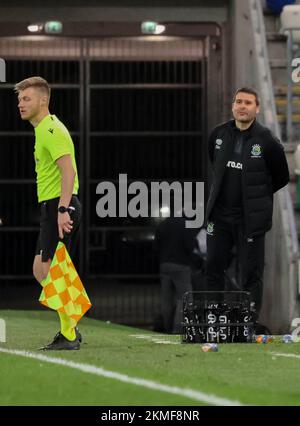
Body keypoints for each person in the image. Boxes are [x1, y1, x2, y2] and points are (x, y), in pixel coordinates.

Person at [205, 87, 289, 318]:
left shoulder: (267, 141)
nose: (242, 106)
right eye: (239, 102)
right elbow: (214, 162)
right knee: (212, 267)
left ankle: (247, 321)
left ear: (257, 108)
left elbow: (281, 176)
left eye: (248, 103)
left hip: (249, 221)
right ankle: (214, 318)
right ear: (233, 106)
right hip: (220, 217)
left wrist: (257, 195)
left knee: (250, 274)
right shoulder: (218, 134)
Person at [15, 76, 82, 350]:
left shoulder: (50, 129)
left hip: (60, 205)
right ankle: (71, 326)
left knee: (50, 270)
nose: (20, 104)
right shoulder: (42, 129)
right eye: (19, 99)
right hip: (52, 206)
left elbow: (69, 171)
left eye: (26, 98)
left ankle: (69, 334)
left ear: (43, 100)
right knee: (40, 270)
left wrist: (63, 209)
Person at [155, 214, 198, 334]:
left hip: (165, 264)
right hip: (181, 264)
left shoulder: (162, 225)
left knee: (166, 299)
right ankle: (178, 328)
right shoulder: (185, 224)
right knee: (184, 298)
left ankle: (166, 327)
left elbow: (156, 246)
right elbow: (190, 246)